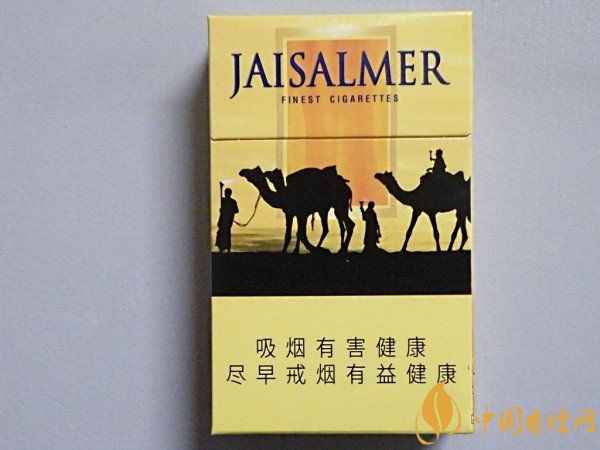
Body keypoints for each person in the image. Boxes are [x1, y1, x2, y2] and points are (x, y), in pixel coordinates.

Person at [216, 186, 238, 252]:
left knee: (225, 233)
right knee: (224, 233)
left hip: (227, 220)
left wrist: (228, 211)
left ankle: (226, 248)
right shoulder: (227, 201)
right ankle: (223, 248)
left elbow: (236, 211)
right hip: (226, 220)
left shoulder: (230, 201)